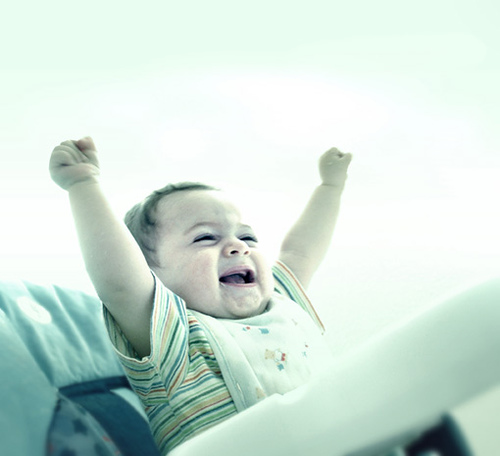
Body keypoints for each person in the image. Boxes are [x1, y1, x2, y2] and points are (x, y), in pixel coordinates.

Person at [49, 137, 352, 454]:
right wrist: (83, 183)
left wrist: (330, 187)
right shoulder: (172, 335)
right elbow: (119, 279)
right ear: (149, 274)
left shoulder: (282, 300)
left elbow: (300, 250)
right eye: (206, 237)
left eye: (247, 236)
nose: (238, 246)